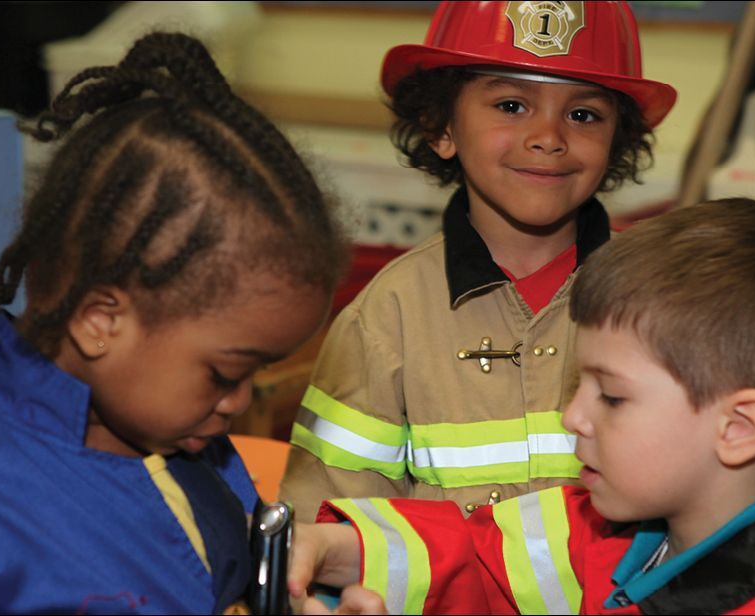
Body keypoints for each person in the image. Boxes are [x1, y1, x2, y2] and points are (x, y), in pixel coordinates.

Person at [0, 31, 348, 615]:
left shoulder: (190, 445)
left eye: (256, 372)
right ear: (100, 320)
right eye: (226, 371)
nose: (238, 401)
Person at [290, 199, 755, 615]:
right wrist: (337, 551)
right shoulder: (621, 522)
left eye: (610, 396)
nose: (573, 417)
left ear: (738, 429)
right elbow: (483, 553)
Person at [280, 0, 678, 521]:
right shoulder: (385, 319)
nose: (549, 138)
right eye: (512, 105)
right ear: (441, 127)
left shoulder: (666, 299)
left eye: (583, 115)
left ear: (616, 140)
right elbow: (326, 525)